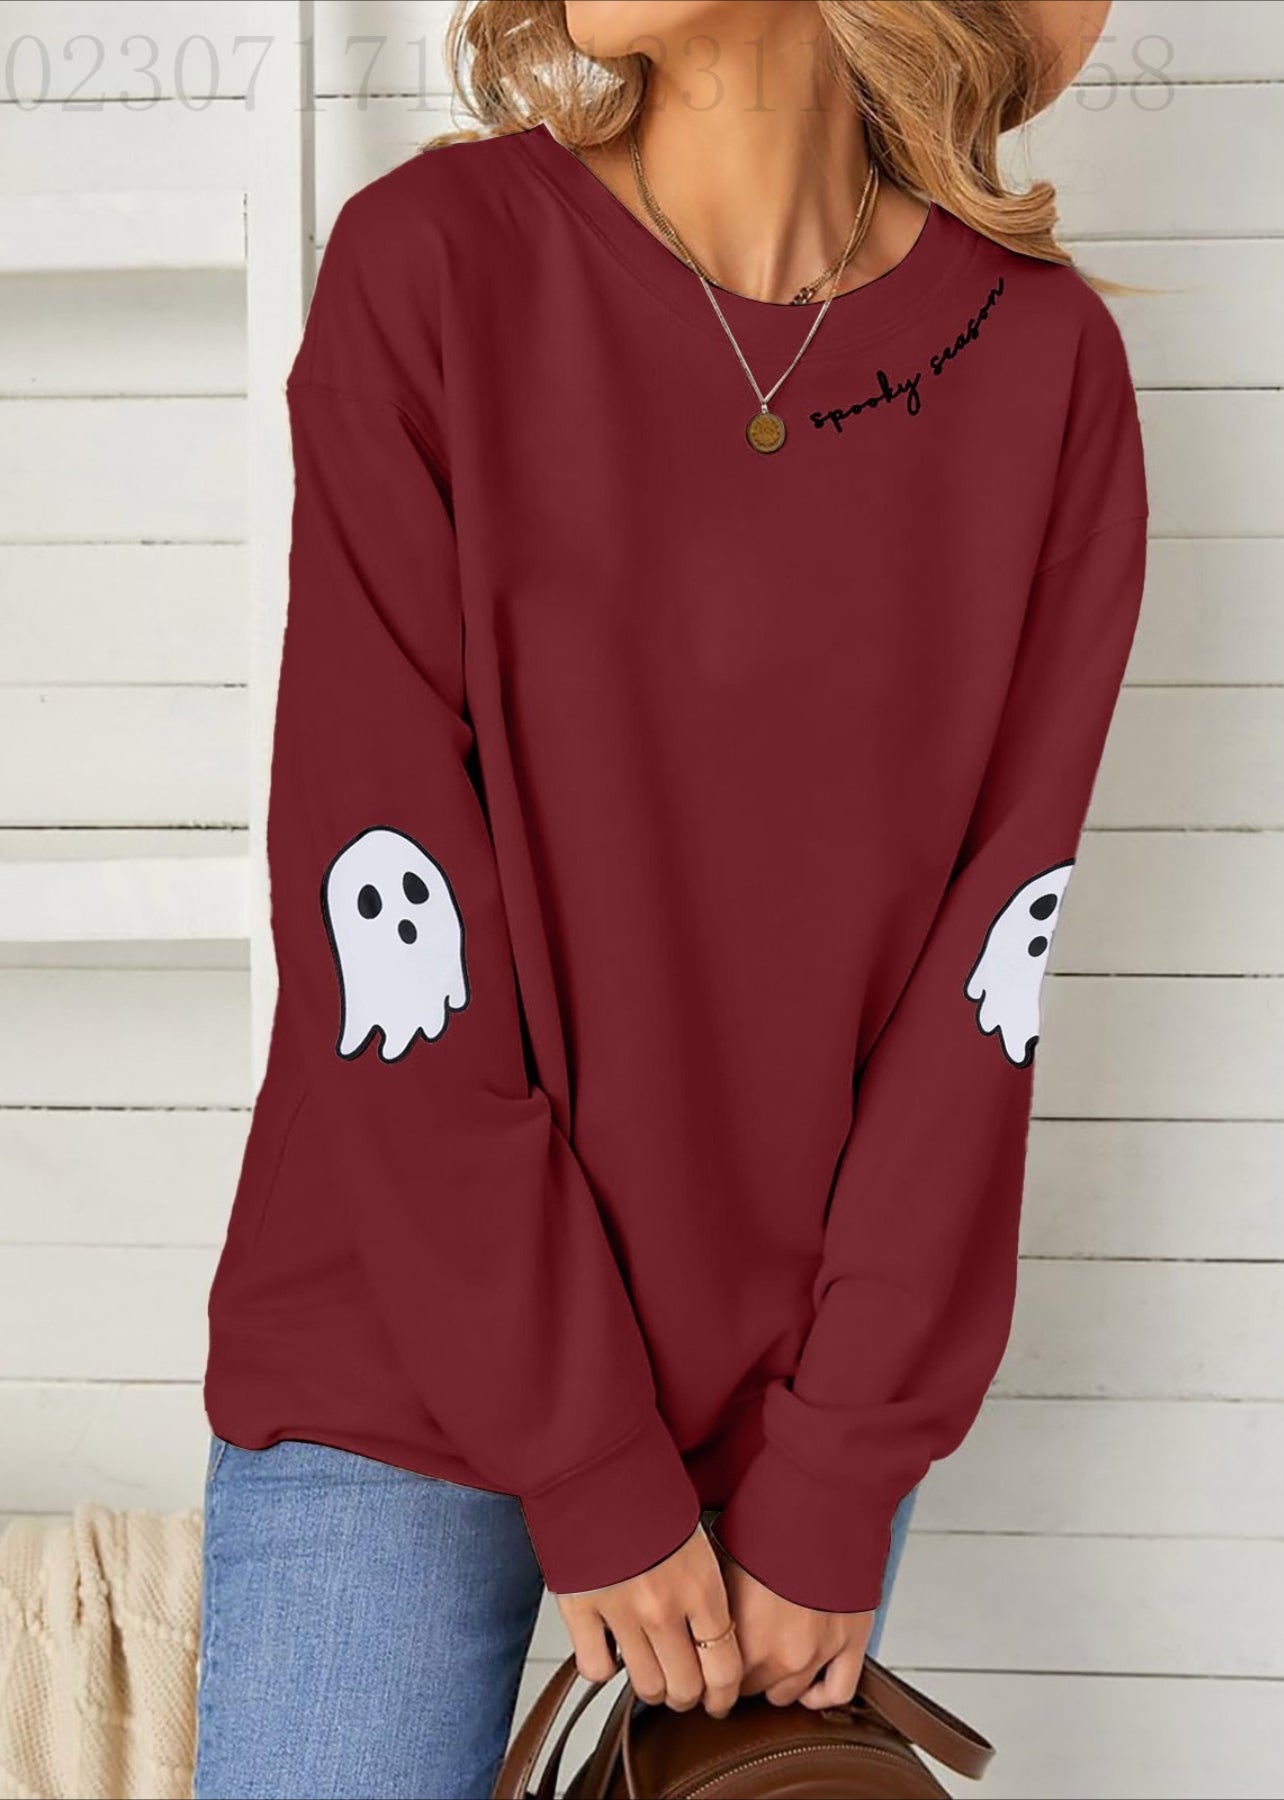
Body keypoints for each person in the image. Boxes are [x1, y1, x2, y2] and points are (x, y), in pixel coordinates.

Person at [192, 2, 1139, 1795]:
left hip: (787, 1423)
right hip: (396, 1335)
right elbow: (380, 889)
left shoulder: (1042, 369)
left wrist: (837, 1462)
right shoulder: (435, 265)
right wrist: (587, 1457)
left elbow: (987, 980)